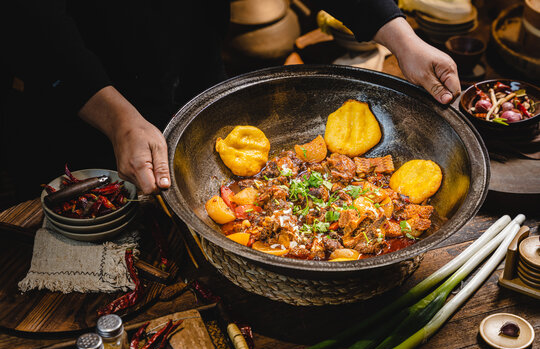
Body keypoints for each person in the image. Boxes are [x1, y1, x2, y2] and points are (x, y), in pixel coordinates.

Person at [1, 0, 459, 203]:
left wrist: (401, 38)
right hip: (80, 112)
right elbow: (28, 21)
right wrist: (118, 117)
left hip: (194, 75)